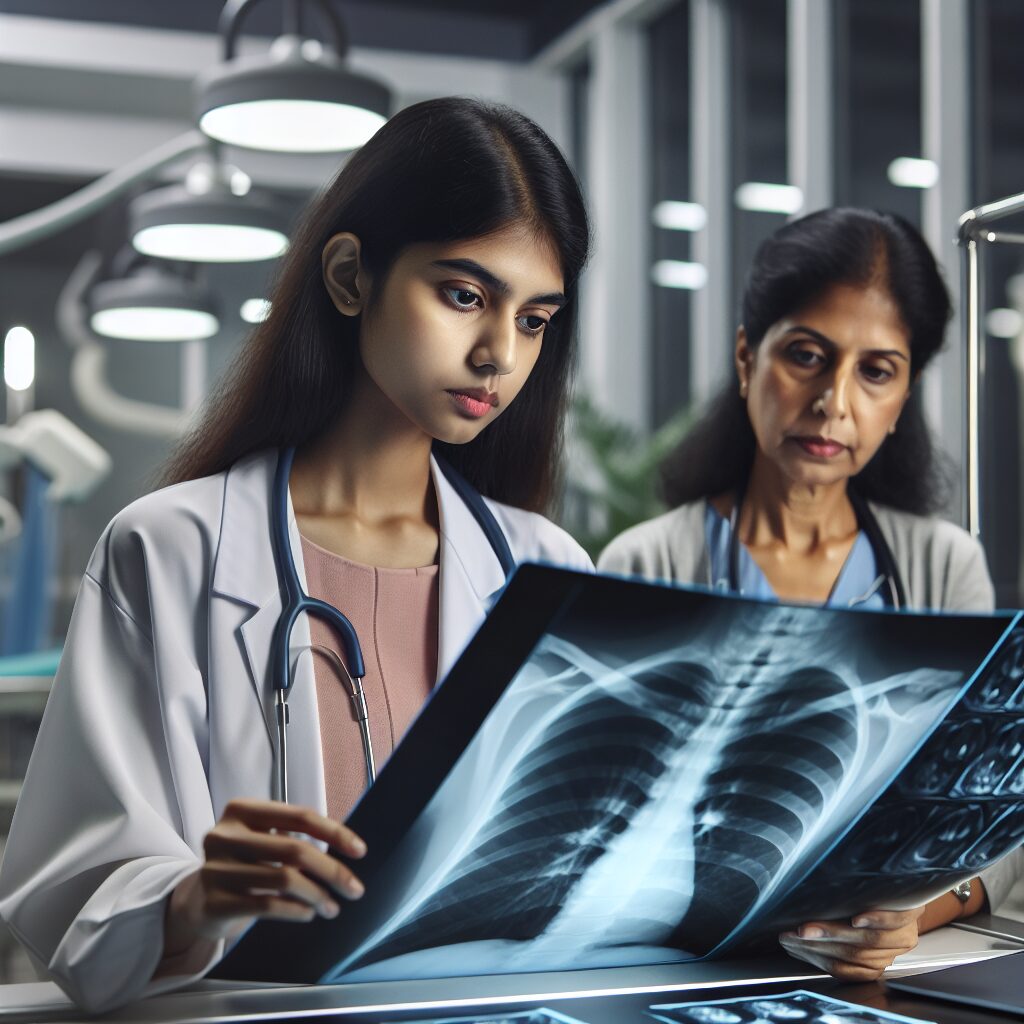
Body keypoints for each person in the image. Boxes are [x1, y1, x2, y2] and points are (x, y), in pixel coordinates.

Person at [0, 97, 592, 1013]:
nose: (498, 356)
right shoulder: (167, 551)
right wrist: (191, 898)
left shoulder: (550, 572)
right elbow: (69, 897)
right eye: (465, 295)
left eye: (535, 319)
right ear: (352, 276)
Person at [599, 206, 1024, 979]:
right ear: (744, 360)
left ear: (904, 398)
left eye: (876, 371)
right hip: (673, 969)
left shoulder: (944, 566)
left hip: (874, 972)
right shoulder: (645, 560)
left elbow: (987, 818)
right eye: (806, 355)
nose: (835, 401)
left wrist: (904, 917)